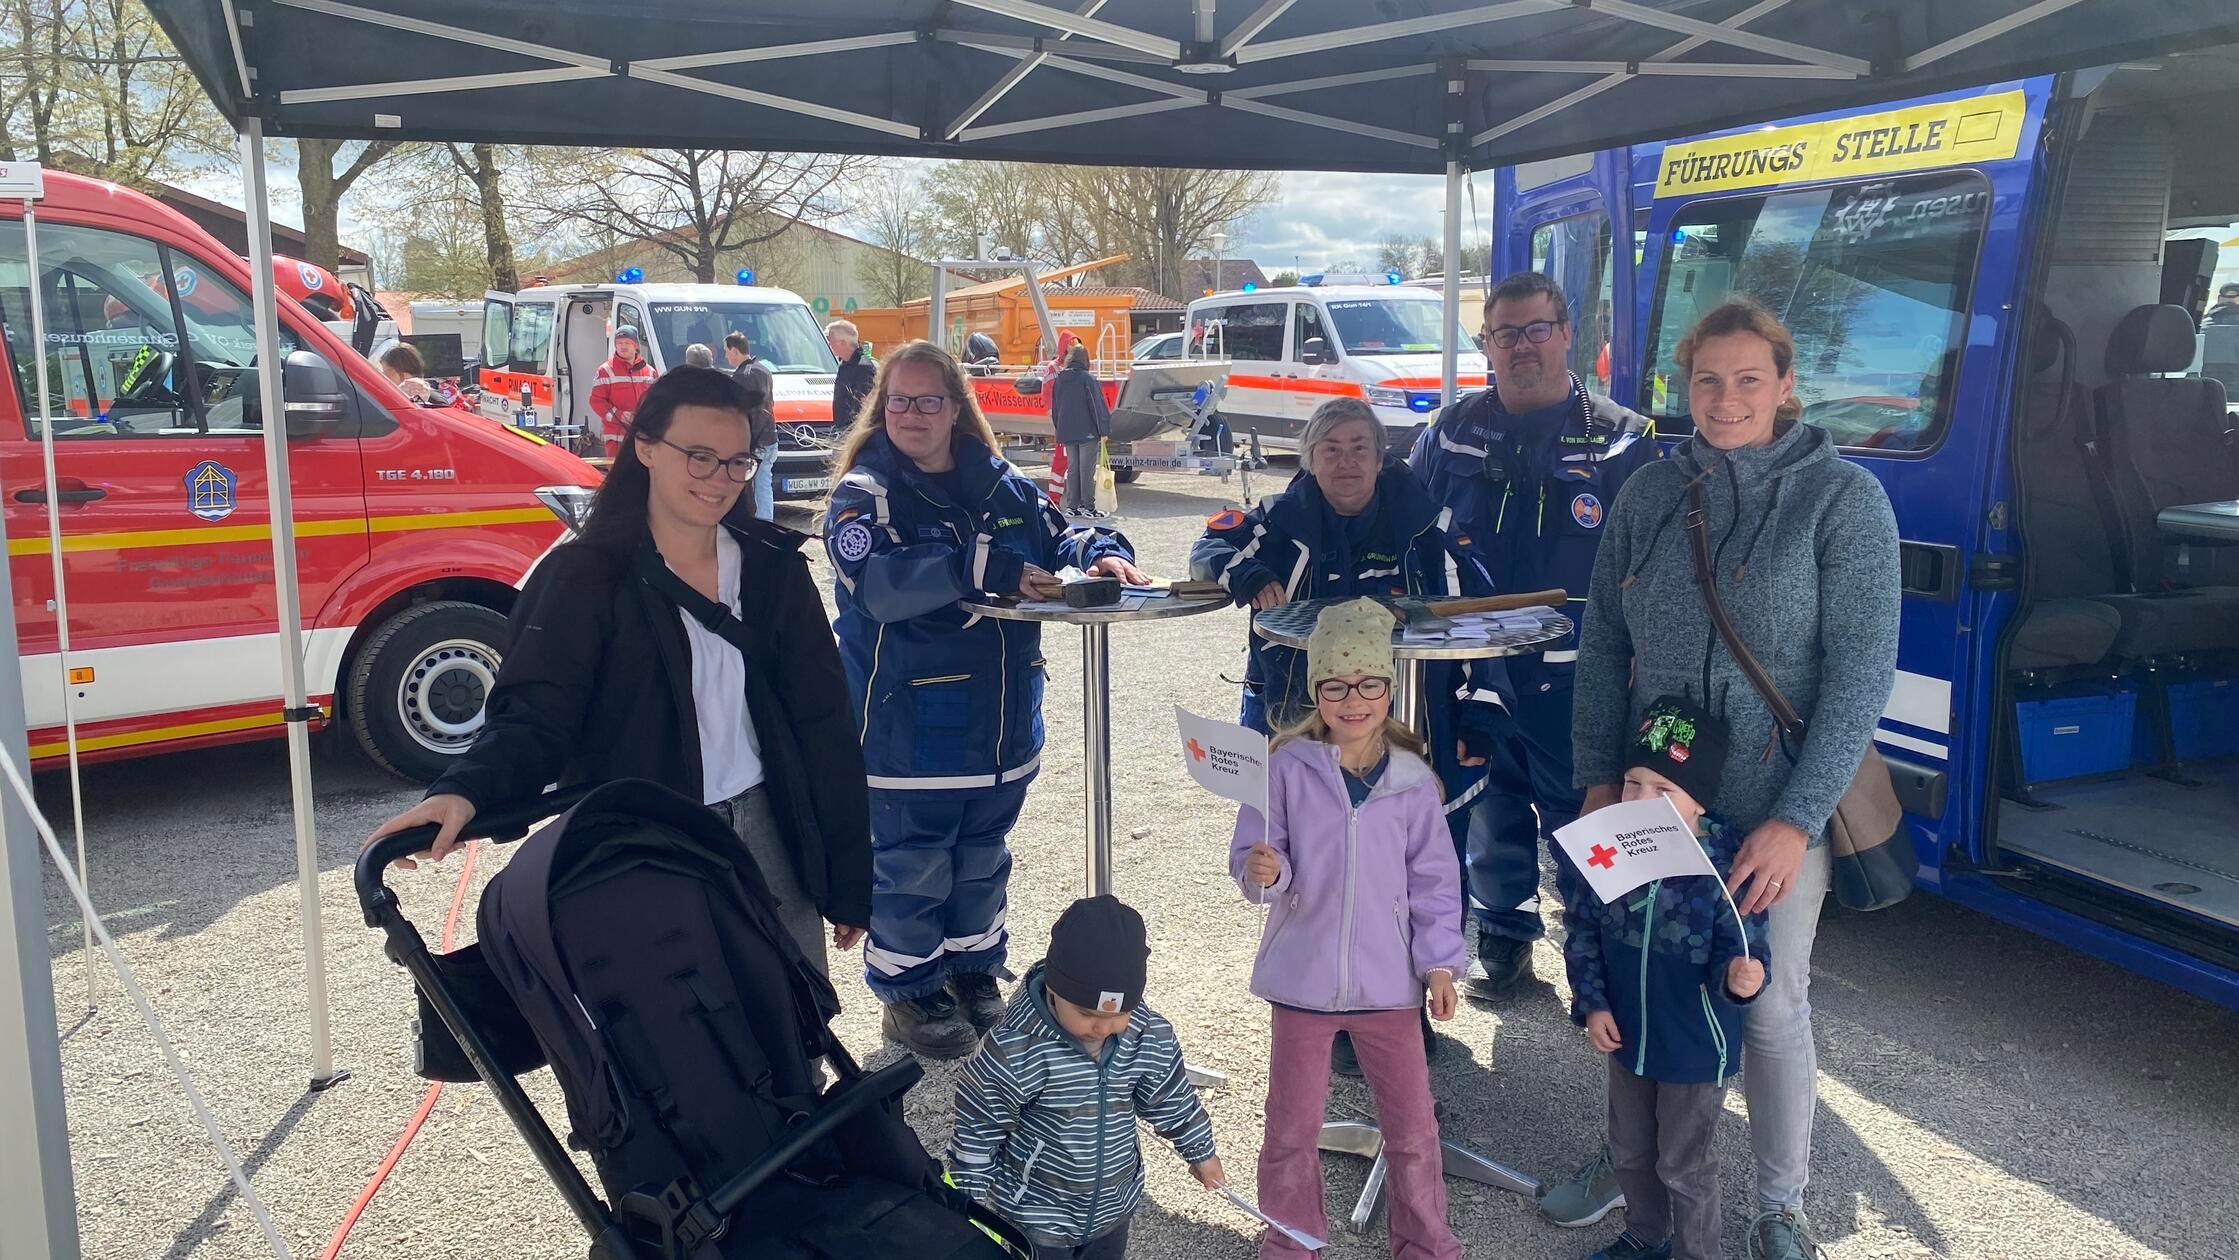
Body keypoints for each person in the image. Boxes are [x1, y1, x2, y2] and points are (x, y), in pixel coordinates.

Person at [1559, 296, 1899, 1259]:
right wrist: (1594, 779)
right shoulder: (1648, 495)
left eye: (1750, 378)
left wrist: (1795, 820)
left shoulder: (1844, 501)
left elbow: (1858, 676)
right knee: (1633, 982)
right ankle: (1637, 1180)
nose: (1726, 397)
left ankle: (1778, 1204)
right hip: (1647, 797)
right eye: (1707, 379)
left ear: (1786, 386)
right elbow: (1601, 647)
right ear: (1683, 383)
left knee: (1767, 1001)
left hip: (1772, 801)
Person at [365, 366, 872, 978]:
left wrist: (848, 872)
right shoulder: (581, 580)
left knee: (797, 1023)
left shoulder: (774, 572)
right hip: (646, 840)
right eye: (701, 456)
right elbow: (534, 717)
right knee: (682, 1032)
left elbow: (825, 726)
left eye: (739, 462)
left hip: (770, 830)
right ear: (646, 449)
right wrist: (463, 790)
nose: (721, 480)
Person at [824, 340, 1151, 1058]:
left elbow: (1061, 529)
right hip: (908, 731)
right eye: (900, 400)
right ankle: (909, 995)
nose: (913, 414)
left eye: (929, 400)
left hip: (1001, 731)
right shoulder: (866, 493)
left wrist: (1102, 548)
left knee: (981, 861)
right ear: (881, 407)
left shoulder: (999, 481)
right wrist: (989, 566)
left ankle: (972, 974)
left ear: (954, 407)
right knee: (911, 869)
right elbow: (878, 583)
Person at [1409, 270, 1660, 1002]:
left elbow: (1657, 567)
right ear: (1485, 344)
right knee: (1487, 807)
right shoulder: (1451, 432)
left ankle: (1608, 966)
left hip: (1580, 679)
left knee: (1588, 824)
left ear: (1565, 334)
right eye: (1504, 333)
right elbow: (1405, 528)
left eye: (1535, 329)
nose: (1520, 346)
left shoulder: (1622, 441)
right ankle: (1506, 938)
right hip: (1475, 672)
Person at [1231, 597, 1466, 1260]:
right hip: (1300, 983)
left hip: (1390, 986)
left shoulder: (1415, 781)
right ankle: (1289, 1243)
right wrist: (1264, 871)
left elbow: (1435, 883)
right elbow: (1252, 867)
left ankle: (1424, 1243)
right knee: (1289, 1127)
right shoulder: (1280, 768)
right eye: (1334, 685)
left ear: (1388, 690)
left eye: (1367, 684)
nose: (1352, 700)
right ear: (1316, 692)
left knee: (1413, 1129)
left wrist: (1440, 964)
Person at [1561, 696, 1768, 1260]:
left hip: (1696, 1049)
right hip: (1626, 1038)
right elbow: (1580, 930)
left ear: (1700, 802)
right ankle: (1646, 1234)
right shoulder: (1612, 855)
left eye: (1664, 790)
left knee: (1686, 1165)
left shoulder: (1727, 869)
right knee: (1629, 1150)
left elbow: (1748, 949)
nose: (1642, 801)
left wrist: (1742, 978)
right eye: (1632, 784)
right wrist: (1592, 1003)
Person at [948, 895, 1225, 1260]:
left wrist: (1201, 1151)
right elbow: (979, 1121)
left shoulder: (1146, 1036)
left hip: (1114, 1205)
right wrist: (965, 1197)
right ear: (1053, 989)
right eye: (1086, 1013)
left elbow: (1171, 1097)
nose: (1102, 1027)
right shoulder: (1016, 1051)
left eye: (1118, 1014)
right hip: (1037, 1213)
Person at [1050, 343, 1112, 517]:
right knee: (1086, 470)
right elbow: (1096, 406)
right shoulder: (1088, 379)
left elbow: (1056, 409)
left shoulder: (1059, 380)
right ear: (1085, 359)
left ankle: (1072, 506)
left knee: (1073, 469)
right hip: (1087, 432)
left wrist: (1059, 428)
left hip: (1067, 431)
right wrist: (1103, 429)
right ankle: (1088, 507)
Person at [725, 331, 780, 520]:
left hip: (755, 440)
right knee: (764, 482)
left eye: (726, 351)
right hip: (770, 436)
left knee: (754, 486)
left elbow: (741, 413)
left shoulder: (743, 376)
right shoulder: (763, 370)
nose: (726, 356)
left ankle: (761, 524)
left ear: (734, 350)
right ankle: (766, 521)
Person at [588, 325, 656, 459]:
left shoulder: (649, 371)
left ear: (635, 345)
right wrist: (620, 415)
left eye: (627, 343)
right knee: (618, 478)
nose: (623, 346)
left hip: (643, 437)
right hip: (616, 438)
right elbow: (596, 401)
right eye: (619, 343)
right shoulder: (605, 370)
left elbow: (656, 401)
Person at [827, 318, 877, 428]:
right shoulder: (844, 365)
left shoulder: (864, 368)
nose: (829, 345)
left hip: (855, 433)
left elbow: (864, 407)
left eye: (830, 341)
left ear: (842, 343)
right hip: (842, 431)